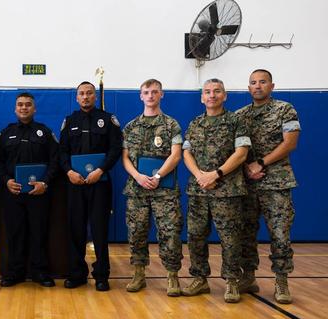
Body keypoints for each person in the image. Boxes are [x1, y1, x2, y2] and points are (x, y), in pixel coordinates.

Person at [181, 78, 250, 303]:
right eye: (208, 92)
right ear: (202, 97)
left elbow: (241, 153)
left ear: (224, 95)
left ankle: (231, 281)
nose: (212, 95)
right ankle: (200, 279)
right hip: (199, 190)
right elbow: (186, 153)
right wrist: (201, 176)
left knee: (230, 238)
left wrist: (216, 174)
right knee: (195, 236)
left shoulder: (236, 121)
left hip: (227, 190)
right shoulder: (194, 124)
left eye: (217, 91)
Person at [236, 69, 300, 304]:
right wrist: (246, 169)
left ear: (272, 86)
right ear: (248, 87)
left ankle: (281, 281)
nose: (258, 86)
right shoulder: (240, 115)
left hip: (277, 183)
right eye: (253, 82)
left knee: (280, 234)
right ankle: (248, 277)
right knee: (245, 233)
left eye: (263, 82)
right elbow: (235, 151)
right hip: (248, 184)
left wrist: (260, 163)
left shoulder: (285, 109)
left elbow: (290, 142)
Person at [122, 79, 183, 296]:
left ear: (161, 95)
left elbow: (176, 155)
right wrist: (138, 176)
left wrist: (157, 176)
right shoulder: (130, 126)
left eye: (154, 92)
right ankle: (139, 274)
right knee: (137, 232)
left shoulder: (171, 124)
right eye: (146, 92)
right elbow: (125, 158)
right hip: (137, 189)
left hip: (164, 190)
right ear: (140, 96)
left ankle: (172, 276)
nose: (150, 96)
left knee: (170, 233)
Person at [59, 81, 122, 291]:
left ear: (95, 96)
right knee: (75, 229)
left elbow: (115, 149)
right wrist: (69, 171)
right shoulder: (69, 122)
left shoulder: (107, 119)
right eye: (81, 94)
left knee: (100, 230)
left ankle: (102, 275)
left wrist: (100, 170)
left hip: (100, 183)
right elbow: (62, 152)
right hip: (75, 183)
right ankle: (77, 274)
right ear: (77, 98)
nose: (85, 97)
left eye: (89, 93)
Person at [0, 92, 59, 287]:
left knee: (39, 233)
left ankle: (40, 272)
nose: (24, 108)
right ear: (15, 109)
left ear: (34, 108)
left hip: (38, 194)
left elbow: (55, 161)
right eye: (20, 105)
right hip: (13, 193)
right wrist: (6, 181)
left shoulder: (44, 132)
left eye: (28, 104)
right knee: (15, 233)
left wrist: (45, 183)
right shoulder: (5, 134)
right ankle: (15, 272)